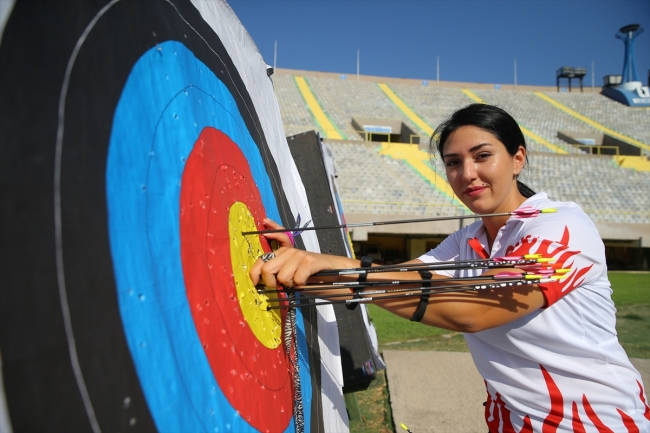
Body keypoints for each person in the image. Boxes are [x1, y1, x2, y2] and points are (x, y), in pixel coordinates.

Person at [250, 104, 650, 432]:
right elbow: (400, 278)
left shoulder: (561, 225)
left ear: (518, 159)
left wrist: (329, 270)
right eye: (453, 162)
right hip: (513, 421)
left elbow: (480, 310)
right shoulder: (467, 238)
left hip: (595, 422)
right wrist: (303, 264)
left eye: (482, 156)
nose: (467, 174)